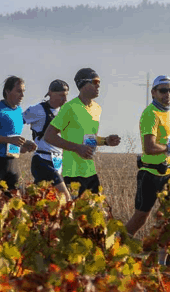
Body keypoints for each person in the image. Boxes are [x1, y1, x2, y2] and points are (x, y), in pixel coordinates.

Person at [43, 68, 121, 196]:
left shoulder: (97, 108)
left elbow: (89, 138)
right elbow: (49, 136)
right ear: (82, 84)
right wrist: (77, 148)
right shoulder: (69, 108)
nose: (98, 85)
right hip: (73, 174)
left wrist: (106, 141)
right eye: (95, 82)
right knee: (75, 215)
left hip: (90, 171)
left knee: (98, 212)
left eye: (99, 82)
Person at [125, 75, 170, 237]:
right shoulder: (150, 114)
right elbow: (149, 147)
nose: (168, 94)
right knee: (140, 218)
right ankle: (113, 250)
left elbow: (165, 140)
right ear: (153, 92)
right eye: (163, 90)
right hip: (151, 174)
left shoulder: (169, 113)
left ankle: (164, 256)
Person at [0, 76, 37, 196]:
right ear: (7, 91)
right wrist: (9, 140)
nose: (22, 95)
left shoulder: (18, 111)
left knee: (16, 204)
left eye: (23, 91)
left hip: (13, 163)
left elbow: (11, 139)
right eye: (18, 91)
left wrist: (24, 146)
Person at [23, 79, 71, 200]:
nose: (65, 100)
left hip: (58, 162)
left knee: (40, 203)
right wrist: (20, 142)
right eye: (61, 96)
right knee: (66, 199)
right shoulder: (38, 110)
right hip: (42, 160)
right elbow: (16, 123)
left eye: (66, 96)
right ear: (50, 93)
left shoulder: (65, 113)